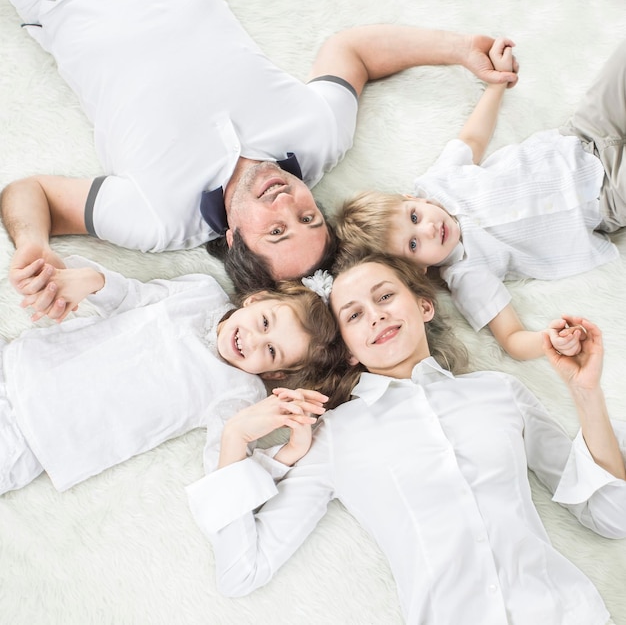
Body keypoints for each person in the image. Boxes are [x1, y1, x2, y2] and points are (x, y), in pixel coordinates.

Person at [186, 252, 626, 625]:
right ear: (351, 350)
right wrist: (235, 438)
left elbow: (611, 516)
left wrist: (585, 393)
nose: (376, 314)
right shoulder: (337, 435)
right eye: (355, 315)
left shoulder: (499, 392)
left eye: (385, 296)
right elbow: (242, 570)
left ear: (424, 306)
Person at [1, 0, 519, 315]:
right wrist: (458, 49)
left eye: (276, 230)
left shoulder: (156, 218)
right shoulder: (318, 138)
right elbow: (353, 51)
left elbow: (32, 194)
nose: (287, 202)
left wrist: (32, 245)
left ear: (232, 239)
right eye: (308, 215)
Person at [333, 37, 626, 360]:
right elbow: (512, 339)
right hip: (606, 201)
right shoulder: (466, 274)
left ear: (413, 199)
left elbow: (472, 138)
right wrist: (550, 341)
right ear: (416, 271)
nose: (428, 230)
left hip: (583, 137)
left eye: (414, 217)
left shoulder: (438, 182)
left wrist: (495, 86)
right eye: (414, 245)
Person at [0, 254, 340, 495]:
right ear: (255, 300)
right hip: (28, 364)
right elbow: (132, 297)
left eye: (270, 351)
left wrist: (282, 452)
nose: (253, 340)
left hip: (42, 438)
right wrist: (93, 281)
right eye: (265, 322)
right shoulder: (201, 292)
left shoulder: (240, 393)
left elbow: (224, 467)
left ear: (276, 373)